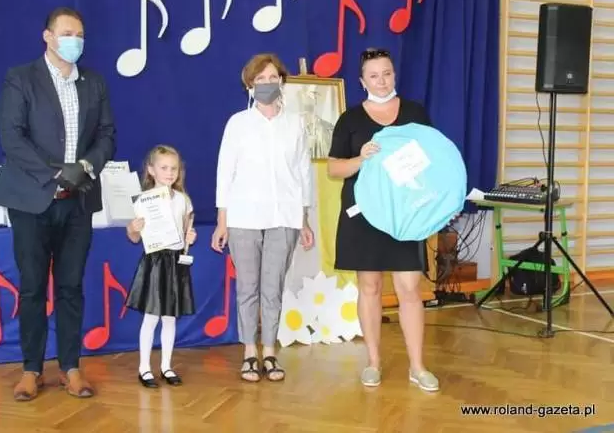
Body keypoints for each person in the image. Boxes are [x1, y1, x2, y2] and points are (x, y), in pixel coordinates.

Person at [0, 7, 116, 401]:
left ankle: (71, 367)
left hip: (78, 202)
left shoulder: (94, 83)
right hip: (32, 200)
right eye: (66, 33)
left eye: (79, 34)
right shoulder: (21, 78)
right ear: (47, 36)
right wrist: (56, 173)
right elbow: (12, 138)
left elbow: (107, 135)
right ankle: (31, 369)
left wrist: (85, 167)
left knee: (71, 287)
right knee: (31, 288)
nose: (74, 41)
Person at [326, 47, 439, 392]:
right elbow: (334, 168)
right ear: (362, 81)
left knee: (410, 288)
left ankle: (417, 366)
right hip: (364, 215)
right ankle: (373, 362)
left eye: (387, 73)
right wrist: (361, 159)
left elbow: (433, 159)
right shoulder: (350, 119)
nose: (381, 81)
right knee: (370, 287)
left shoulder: (415, 113)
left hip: (405, 214)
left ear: (394, 74)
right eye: (373, 76)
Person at [211, 53, 315, 383]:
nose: (267, 83)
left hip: (284, 216)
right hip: (243, 216)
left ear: (282, 82)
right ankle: (249, 353)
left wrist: (304, 219)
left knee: (273, 288)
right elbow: (225, 173)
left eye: (273, 78)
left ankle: (269, 351)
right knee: (248, 288)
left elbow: (304, 173)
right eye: (260, 79)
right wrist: (222, 221)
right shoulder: (238, 124)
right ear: (250, 85)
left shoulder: (295, 123)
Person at [124, 145, 197, 388]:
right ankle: (144, 368)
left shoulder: (183, 200)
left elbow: (186, 230)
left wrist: (190, 236)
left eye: (173, 168)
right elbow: (134, 237)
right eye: (164, 168)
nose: (169, 173)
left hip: (175, 262)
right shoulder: (143, 202)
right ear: (151, 170)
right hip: (155, 262)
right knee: (151, 317)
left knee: (169, 318)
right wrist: (133, 229)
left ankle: (166, 365)